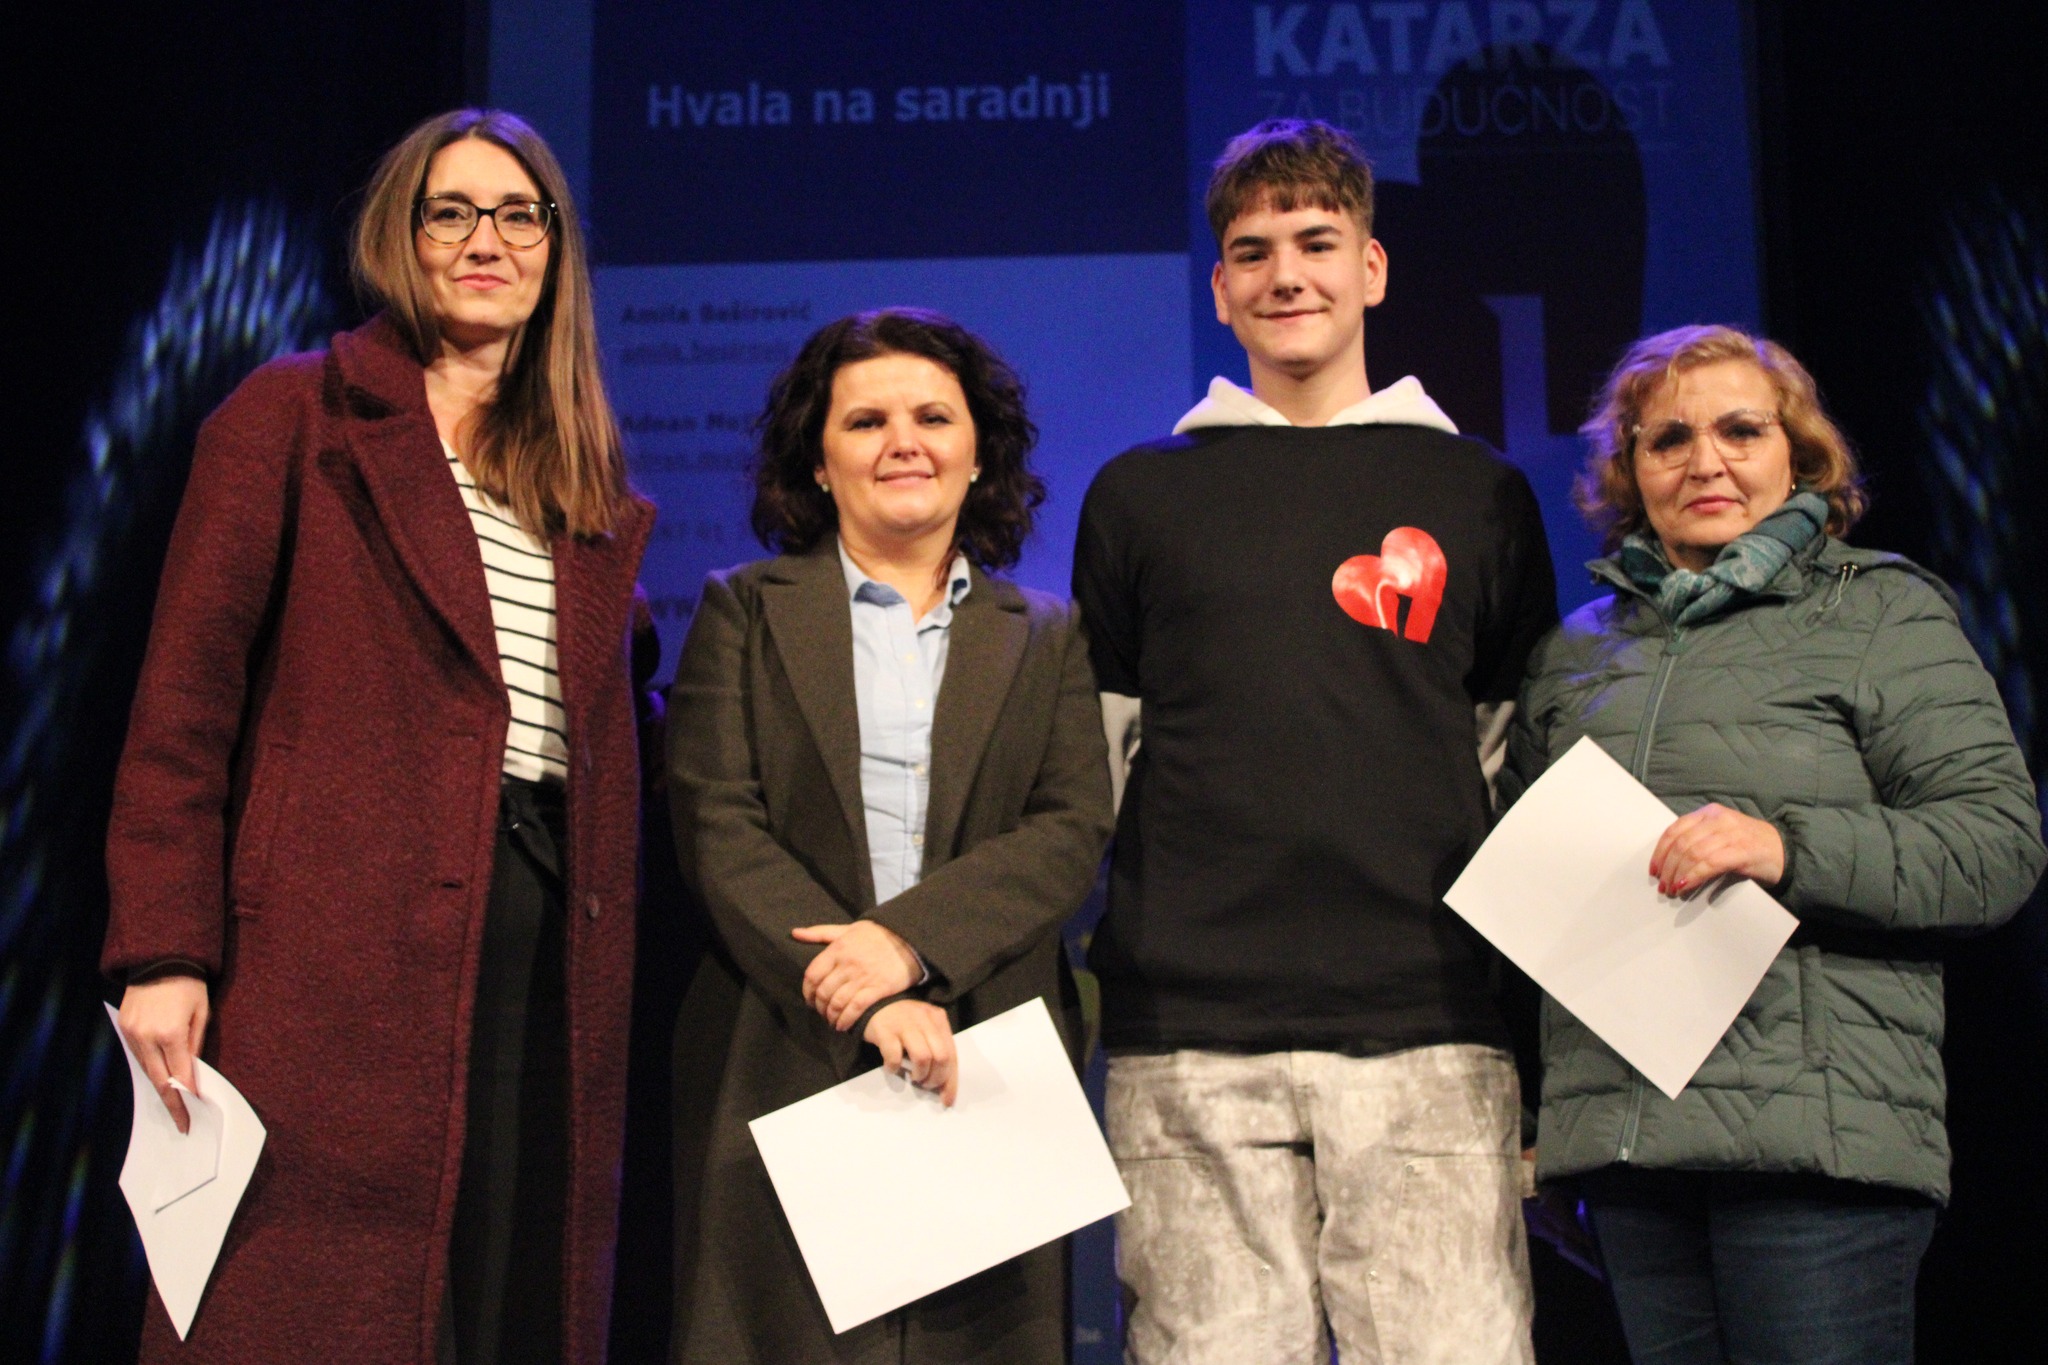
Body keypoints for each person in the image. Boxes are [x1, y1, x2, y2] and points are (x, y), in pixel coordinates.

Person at [104, 109, 656, 1364]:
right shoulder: (296, 417)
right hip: (327, 945)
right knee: (308, 1301)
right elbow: (183, 705)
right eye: (449, 213)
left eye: (517, 216)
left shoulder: (580, 480)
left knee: (509, 1289)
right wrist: (165, 949)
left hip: (541, 935)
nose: (485, 242)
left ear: (555, 249)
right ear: (399, 238)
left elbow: (615, 724)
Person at [1071, 118, 1554, 1364]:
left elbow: (1507, 768)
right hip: (1188, 1035)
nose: (1285, 274)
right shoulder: (1137, 494)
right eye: (1252, 251)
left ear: (1371, 269)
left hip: (1430, 1023)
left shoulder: (1480, 492)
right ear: (1218, 288)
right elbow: (1100, 767)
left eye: (1315, 242)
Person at [1503, 324, 2046, 1365]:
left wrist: (1784, 848)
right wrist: (1552, 1128)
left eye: (1740, 431)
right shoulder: (1574, 651)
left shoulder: (1879, 611)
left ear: (1796, 454)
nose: (1704, 461)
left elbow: (1993, 847)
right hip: (1634, 1156)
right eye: (1669, 439)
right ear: (1628, 471)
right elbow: (1533, 905)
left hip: (1816, 1153)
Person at [666, 308, 1114, 1363]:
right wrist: (862, 990)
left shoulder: (1047, 633)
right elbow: (716, 819)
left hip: (982, 1046)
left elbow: (1068, 825)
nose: (902, 441)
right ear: (819, 464)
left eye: (932, 418)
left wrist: (906, 947)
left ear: (977, 455)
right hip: (787, 1035)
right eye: (866, 421)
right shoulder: (742, 610)